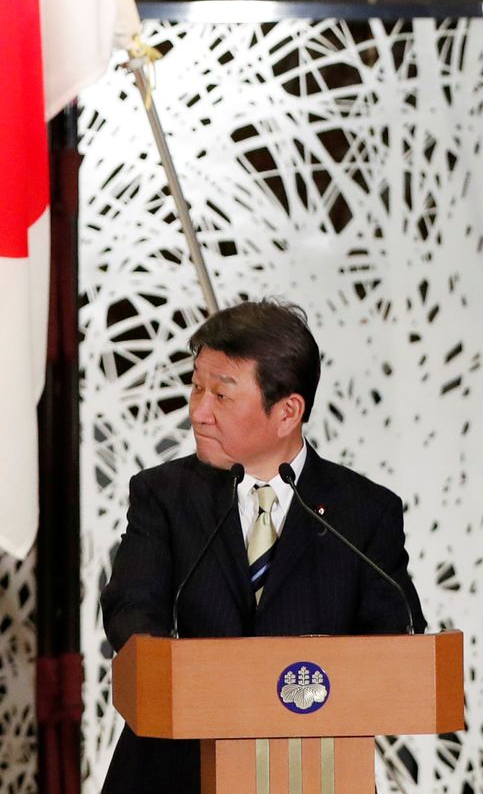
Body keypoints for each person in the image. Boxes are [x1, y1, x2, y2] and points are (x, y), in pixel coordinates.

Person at [99, 299, 425, 794]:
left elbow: (397, 633)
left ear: (287, 412)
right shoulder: (163, 494)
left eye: (222, 396)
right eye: (196, 387)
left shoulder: (364, 511)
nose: (198, 412)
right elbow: (131, 610)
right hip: (174, 770)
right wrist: (197, 681)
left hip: (313, 773)